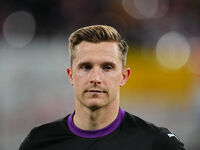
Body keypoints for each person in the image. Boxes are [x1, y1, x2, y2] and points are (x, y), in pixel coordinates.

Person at [19, 25, 186, 150]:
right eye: (86, 67)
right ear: (71, 75)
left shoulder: (157, 143)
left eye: (107, 67)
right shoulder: (38, 142)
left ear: (123, 76)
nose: (96, 78)